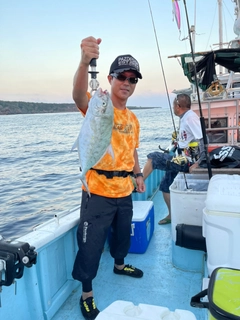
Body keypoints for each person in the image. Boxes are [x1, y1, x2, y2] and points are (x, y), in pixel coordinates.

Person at [71, 36, 146, 320]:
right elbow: (79, 96)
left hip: (124, 189)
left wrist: (138, 175)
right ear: (110, 78)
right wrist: (83, 61)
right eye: (121, 77)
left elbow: (134, 150)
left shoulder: (134, 120)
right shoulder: (97, 106)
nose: (127, 82)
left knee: (121, 236)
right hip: (97, 191)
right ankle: (87, 293)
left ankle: (119, 264)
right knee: (90, 246)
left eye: (133, 79)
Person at [142, 93, 205, 225]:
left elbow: (203, 139)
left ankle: (137, 182)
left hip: (187, 162)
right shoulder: (184, 117)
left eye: (173, 105)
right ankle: (171, 215)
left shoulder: (190, 118)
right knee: (165, 186)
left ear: (178, 106)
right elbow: (189, 137)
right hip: (179, 157)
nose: (173, 108)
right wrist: (179, 141)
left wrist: (198, 163)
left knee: (153, 157)